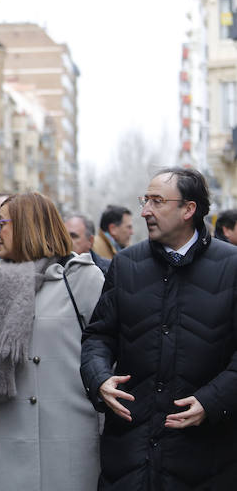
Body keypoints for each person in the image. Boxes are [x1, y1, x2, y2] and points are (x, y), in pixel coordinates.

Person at [82, 167, 237, 489]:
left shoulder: (231, 266)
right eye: (145, 200)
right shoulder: (126, 264)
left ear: (188, 209)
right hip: (129, 451)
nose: (144, 212)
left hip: (207, 454)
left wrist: (213, 400)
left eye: (156, 201)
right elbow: (98, 335)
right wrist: (99, 379)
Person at [0, 193, 104, 491]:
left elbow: (106, 351)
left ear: (28, 225)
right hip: (10, 431)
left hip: (71, 433)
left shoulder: (82, 278)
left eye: (1, 223)